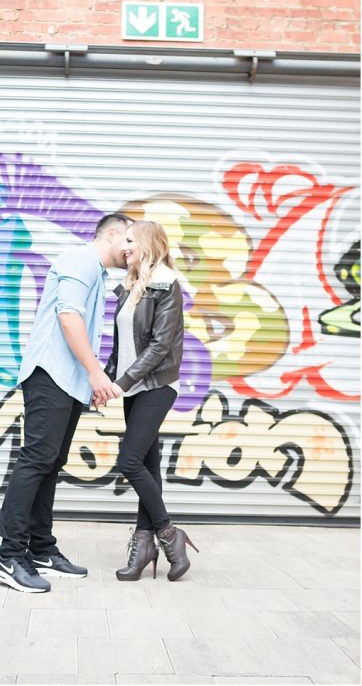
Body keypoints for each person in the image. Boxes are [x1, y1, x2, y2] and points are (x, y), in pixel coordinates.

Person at [0, 212, 133, 593]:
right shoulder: (80, 261)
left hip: (67, 381)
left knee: (51, 463)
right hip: (49, 374)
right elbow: (68, 317)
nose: (132, 249)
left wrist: (89, 379)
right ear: (112, 234)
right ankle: (8, 555)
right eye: (129, 240)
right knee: (36, 460)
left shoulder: (96, 272)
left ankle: (40, 549)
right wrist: (96, 373)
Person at [102, 220, 199, 582]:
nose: (124, 247)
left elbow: (160, 346)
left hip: (156, 385)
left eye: (130, 240)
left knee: (129, 460)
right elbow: (122, 347)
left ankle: (170, 534)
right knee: (148, 465)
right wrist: (107, 381)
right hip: (133, 387)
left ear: (147, 244)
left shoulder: (166, 284)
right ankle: (144, 545)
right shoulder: (129, 287)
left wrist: (123, 382)